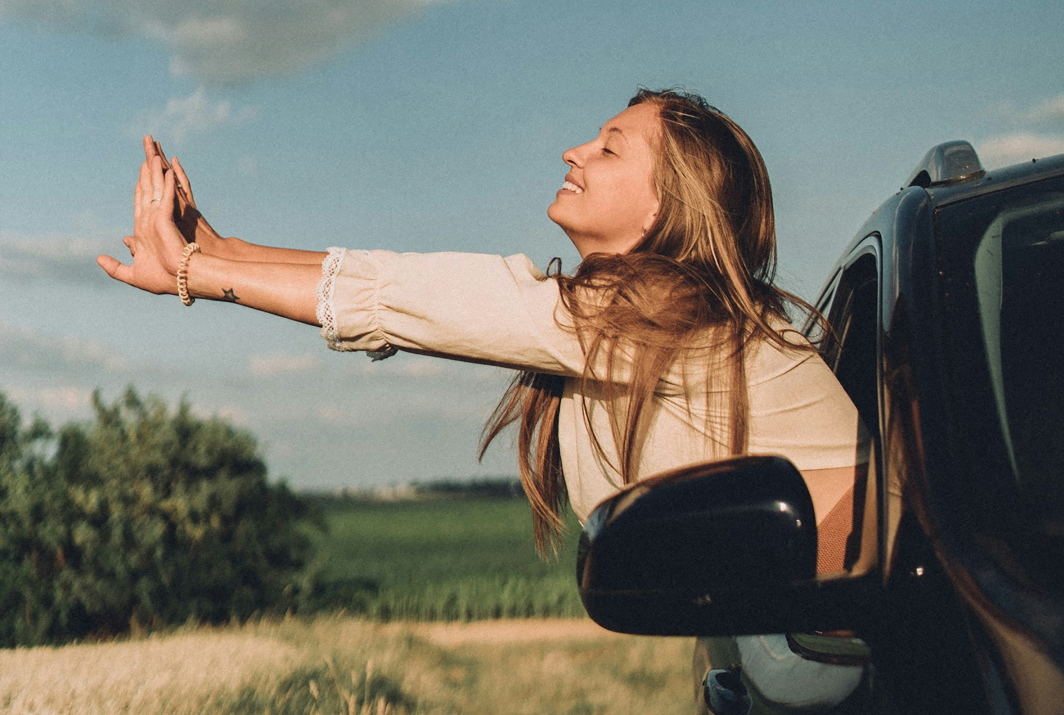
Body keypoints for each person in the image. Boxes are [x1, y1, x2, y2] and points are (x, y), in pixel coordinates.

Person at [98, 89, 869, 569]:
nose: (575, 151)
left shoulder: (678, 321)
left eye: (609, 146)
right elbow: (397, 284)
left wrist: (195, 273)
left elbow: (421, 297)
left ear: (660, 208)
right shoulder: (648, 321)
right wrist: (217, 250)